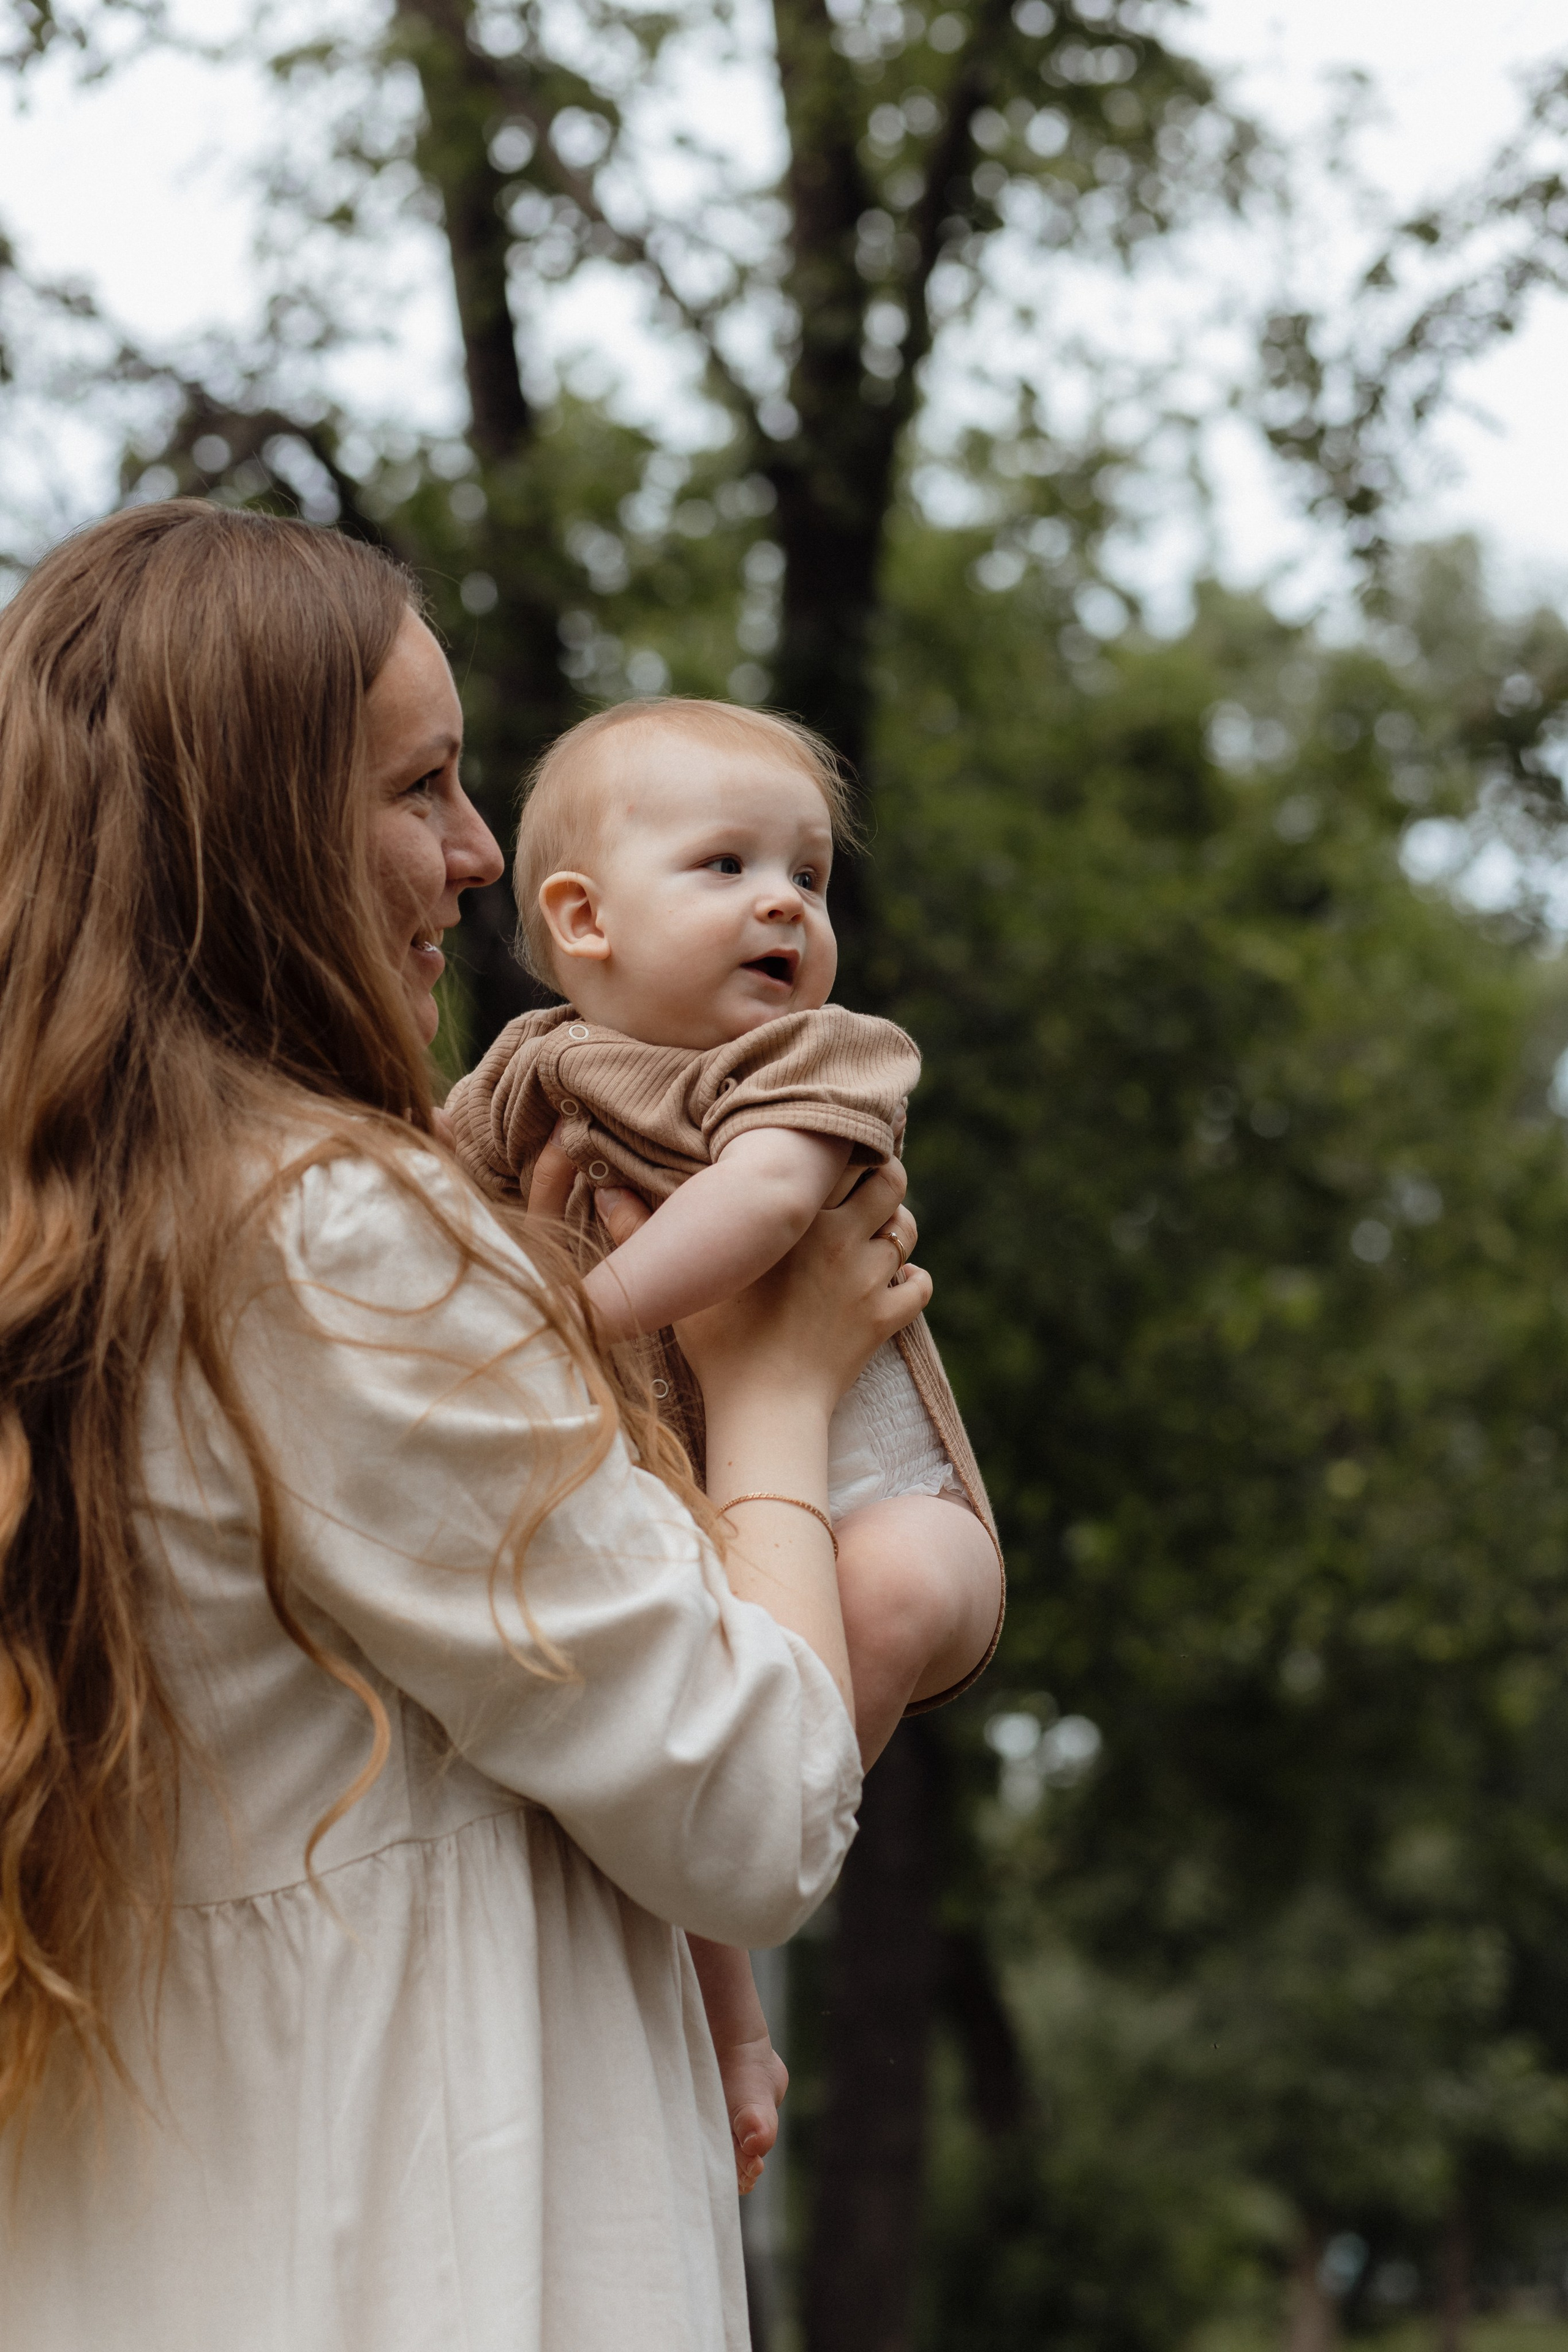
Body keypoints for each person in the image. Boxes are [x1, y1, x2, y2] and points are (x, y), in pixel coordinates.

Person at [0, 501, 928, 2352]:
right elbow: (748, 1805)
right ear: (254, 836)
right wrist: (776, 1386)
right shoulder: (333, 1235)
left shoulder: (77, 1251)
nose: (482, 856)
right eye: (420, 789)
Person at [444, 695, 1005, 2190]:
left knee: (858, 1623)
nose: (783, 903)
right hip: (696, 1523)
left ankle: (749, 1921)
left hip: (886, 1500)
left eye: (808, 879)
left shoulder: (823, 1060)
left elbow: (764, 1211)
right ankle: (730, 2022)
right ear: (581, 918)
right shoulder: (524, 1077)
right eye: (726, 867)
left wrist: (580, 1314)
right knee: (673, 1747)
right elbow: (423, 1213)